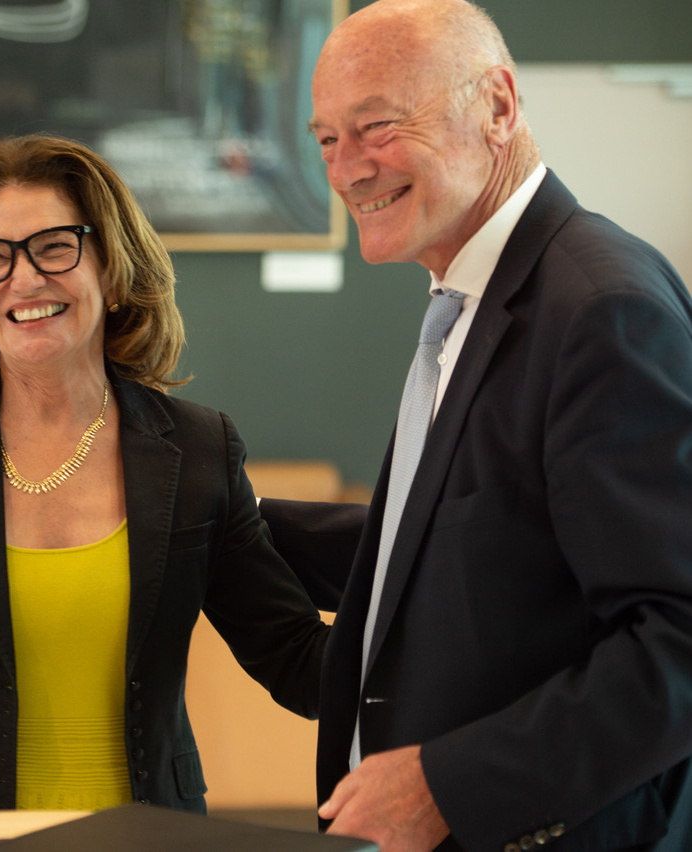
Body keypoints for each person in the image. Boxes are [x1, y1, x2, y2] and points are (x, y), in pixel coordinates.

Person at [258, 1, 692, 850]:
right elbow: (471, 559)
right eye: (324, 140)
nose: (346, 170)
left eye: (375, 126)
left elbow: (679, 639)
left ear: (497, 107)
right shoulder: (471, 301)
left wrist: (452, 787)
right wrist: (226, 522)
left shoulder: (600, 311)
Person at [0, 133, 329, 825]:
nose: (24, 278)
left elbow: (298, 660)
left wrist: (451, 625)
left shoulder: (196, 448)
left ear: (110, 259)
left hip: (152, 840)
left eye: (54, 246)